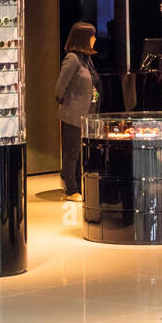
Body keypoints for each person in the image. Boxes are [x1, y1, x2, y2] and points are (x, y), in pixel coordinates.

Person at [54, 21, 100, 200]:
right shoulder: (72, 58)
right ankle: (71, 190)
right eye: (92, 36)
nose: (95, 39)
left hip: (87, 114)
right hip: (74, 114)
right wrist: (70, 105)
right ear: (83, 38)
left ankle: (79, 187)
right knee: (71, 152)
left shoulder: (86, 58)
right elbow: (59, 88)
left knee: (80, 153)